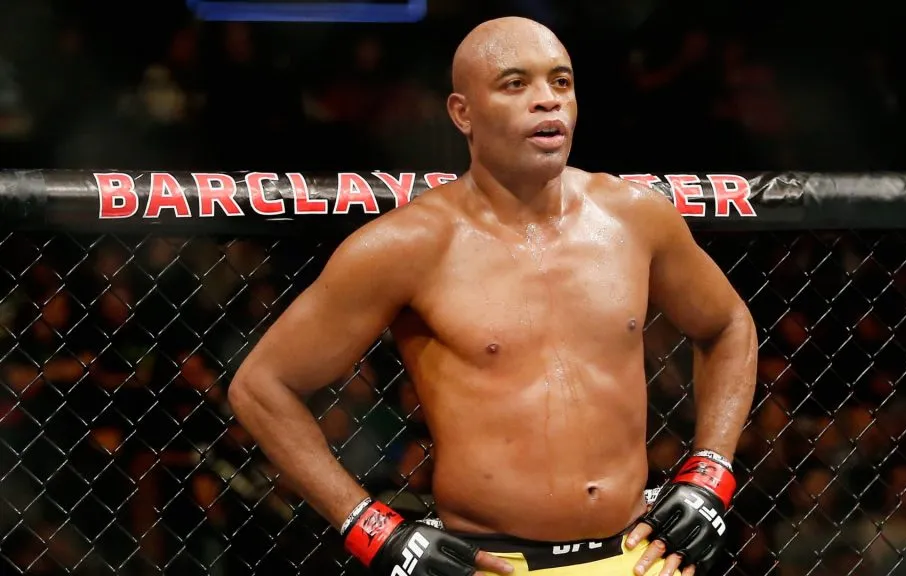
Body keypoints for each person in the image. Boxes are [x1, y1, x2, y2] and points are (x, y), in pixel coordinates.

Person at [228, 16, 757, 576]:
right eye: (515, 84)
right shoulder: (410, 245)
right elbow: (263, 386)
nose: (546, 102)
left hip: (641, 556)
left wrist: (710, 472)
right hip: (493, 564)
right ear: (462, 113)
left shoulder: (634, 216)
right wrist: (370, 527)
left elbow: (727, 324)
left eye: (560, 82)